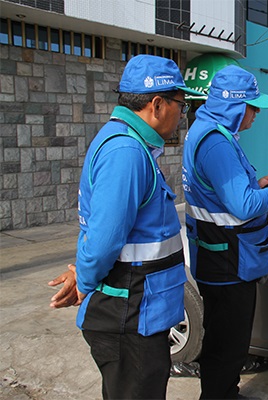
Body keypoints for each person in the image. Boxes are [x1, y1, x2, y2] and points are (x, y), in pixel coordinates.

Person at [47, 54, 204, 399]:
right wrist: (85, 281)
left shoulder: (132, 146)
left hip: (141, 312)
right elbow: (104, 240)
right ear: (158, 104)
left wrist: (81, 272)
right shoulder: (127, 153)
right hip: (130, 317)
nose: (184, 114)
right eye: (182, 104)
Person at [182, 65, 268, 399]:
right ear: (235, 105)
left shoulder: (206, 131)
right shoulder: (216, 144)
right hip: (228, 263)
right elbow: (244, 206)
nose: (257, 114)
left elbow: (224, 194)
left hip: (217, 255)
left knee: (224, 340)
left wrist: (256, 184)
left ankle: (223, 392)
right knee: (228, 345)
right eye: (253, 106)